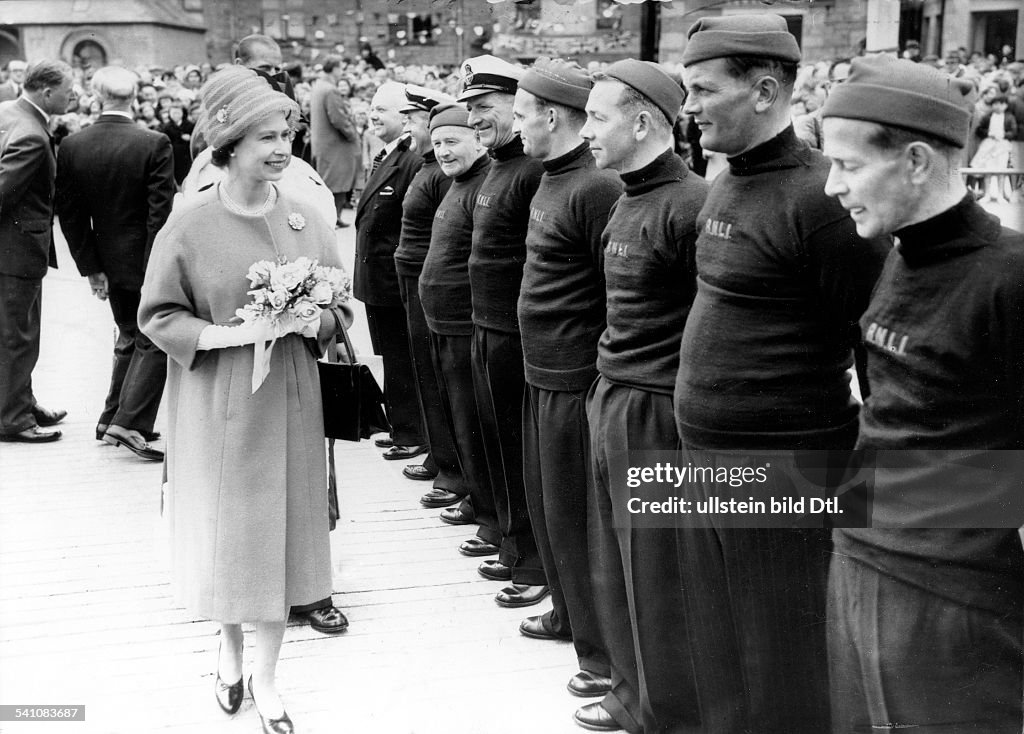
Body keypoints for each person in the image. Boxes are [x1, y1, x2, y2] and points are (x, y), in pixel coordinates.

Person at [674, 15, 889, 733]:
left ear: (765, 90)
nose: (690, 106)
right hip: (709, 465)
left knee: (783, 660)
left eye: (703, 90)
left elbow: (875, 350)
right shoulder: (727, 179)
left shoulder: (821, 201)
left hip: (789, 471)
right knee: (721, 644)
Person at [138, 66, 350, 734]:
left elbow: (340, 304)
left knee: (284, 529)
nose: (282, 145)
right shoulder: (190, 224)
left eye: (286, 131)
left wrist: (315, 320)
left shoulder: (306, 215)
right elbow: (158, 315)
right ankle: (227, 647)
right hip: (217, 394)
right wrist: (227, 333)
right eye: (265, 135)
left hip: (289, 392)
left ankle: (267, 674)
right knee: (228, 531)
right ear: (229, 144)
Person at [821, 54, 1024, 734]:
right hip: (861, 563)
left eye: (848, 166)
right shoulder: (897, 251)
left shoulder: (1008, 277)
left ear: (913, 161)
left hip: (953, 602)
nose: (830, 185)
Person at [574, 59, 709, 734]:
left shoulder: (691, 204)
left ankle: (668, 712)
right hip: (614, 397)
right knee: (615, 566)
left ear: (644, 120)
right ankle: (631, 695)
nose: (587, 130)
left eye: (597, 117)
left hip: (657, 412)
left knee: (656, 575)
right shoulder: (627, 195)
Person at [511, 58, 620, 701]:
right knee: (550, 512)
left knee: (580, 520)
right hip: (540, 372)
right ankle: (568, 614)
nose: (516, 128)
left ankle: (602, 654)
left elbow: (613, 296)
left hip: (574, 382)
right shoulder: (551, 177)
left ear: (552, 117)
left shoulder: (593, 187)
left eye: (522, 115)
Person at [454, 54, 548, 608]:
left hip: (515, 334)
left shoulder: (531, 171)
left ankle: (533, 563)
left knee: (518, 450)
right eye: (471, 109)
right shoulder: (498, 167)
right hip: (485, 327)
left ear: (518, 105)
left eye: (484, 108)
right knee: (498, 446)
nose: (476, 120)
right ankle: (515, 546)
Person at [56, 65, 175, 461]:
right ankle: (130, 423)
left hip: (107, 256)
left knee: (128, 334)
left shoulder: (73, 145)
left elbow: (71, 215)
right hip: (146, 257)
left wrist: (91, 266)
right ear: (134, 97)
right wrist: (156, 265)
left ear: (96, 97)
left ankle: (111, 419)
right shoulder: (154, 142)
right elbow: (160, 213)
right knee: (155, 337)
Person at [418, 103, 501, 555]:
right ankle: (475, 497)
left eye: (452, 141)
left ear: (475, 139)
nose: (443, 151)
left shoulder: (483, 183)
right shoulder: (458, 183)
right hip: (442, 322)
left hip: (465, 325)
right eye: (437, 143)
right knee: (459, 421)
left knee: (474, 423)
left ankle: (490, 515)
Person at [393, 85, 469, 504]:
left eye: (412, 120)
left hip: (435, 289)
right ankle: (441, 459)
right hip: (418, 282)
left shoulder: (442, 175)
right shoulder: (428, 169)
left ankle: (450, 467)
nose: (410, 128)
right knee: (426, 375)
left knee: (440, 381)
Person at [0, 59, 74, 444]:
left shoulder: (8, 112)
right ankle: (13, 418)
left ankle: (20, 402)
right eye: (68, 90)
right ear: (46, 92)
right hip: (15, 251)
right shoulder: (30, 133)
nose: (73, 96)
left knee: (14, 332)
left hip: (10, 250)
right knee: (19, 336)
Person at [355, 81, 428, 462]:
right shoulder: (386, 156)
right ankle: (402, 426)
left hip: (392, 281)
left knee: (402, 358)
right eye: (372, 107)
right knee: (392, 356)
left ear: (405, 119)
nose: (372, 114)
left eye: (381, 109)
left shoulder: (411, 163)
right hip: (378, 279)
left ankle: (413, 431)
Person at [309, 57, 359, 227]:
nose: (342, 72)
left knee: (332, 182)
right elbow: (338, 119)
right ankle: (332, 217)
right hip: (335, 145)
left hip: (324, 144)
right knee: (337, 182)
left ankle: (334, 217)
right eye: (340, 68)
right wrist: (353, 134)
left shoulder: (318, 86)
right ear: (335, 69)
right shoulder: (330, 90)